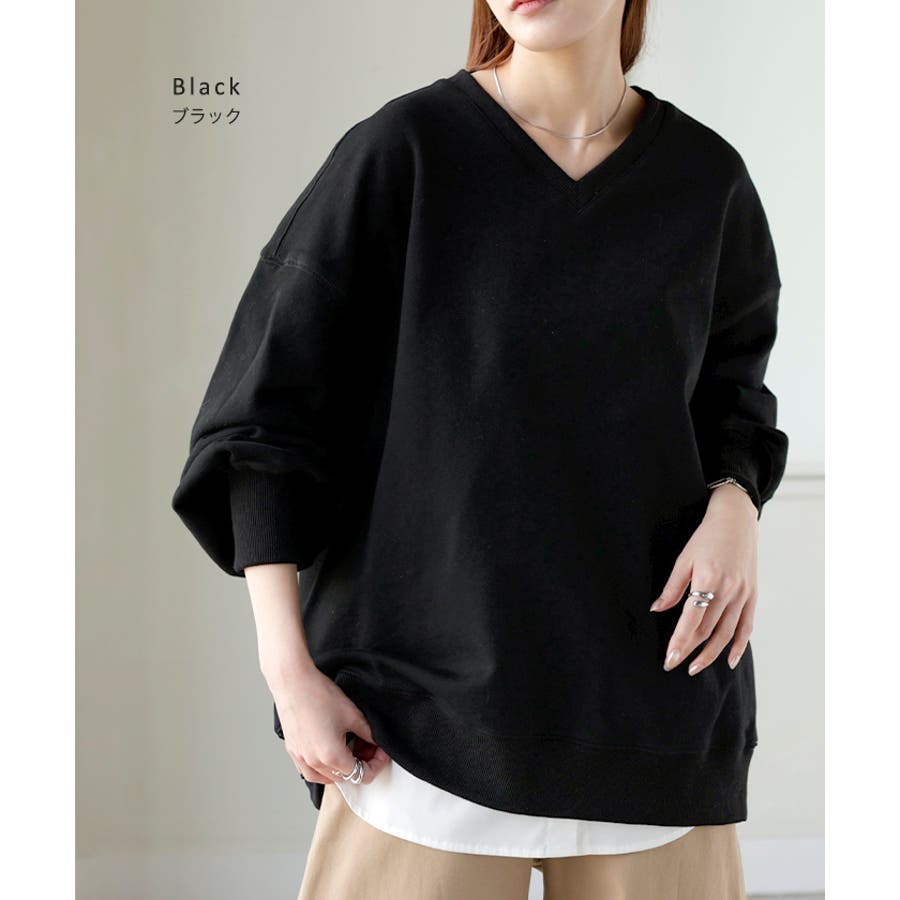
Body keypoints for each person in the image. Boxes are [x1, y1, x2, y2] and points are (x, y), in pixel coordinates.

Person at [171, 1, 789, 897]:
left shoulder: (707, 181)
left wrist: (737, 502)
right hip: (415, 729)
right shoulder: (406, 153)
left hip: (652, 714)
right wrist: (288, 671)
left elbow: (735, 396)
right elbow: (263, 422)